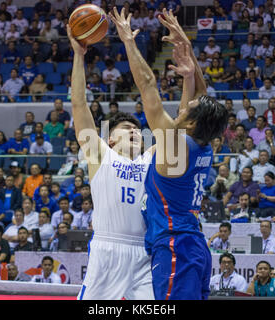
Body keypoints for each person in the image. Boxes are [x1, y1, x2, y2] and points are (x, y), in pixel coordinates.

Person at [110, 8, 230, 300]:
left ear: (190, 122)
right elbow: (201, 98)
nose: (183, 105)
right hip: (194, 244)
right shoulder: (202, 144)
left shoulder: (175, 144)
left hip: (175, 244)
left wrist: (128, 41)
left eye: (187, 109)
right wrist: (188, 55)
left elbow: (148, 86)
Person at [67, 15, 156, 300]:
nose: (135, 133)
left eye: (138, 130)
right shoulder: (101, 155)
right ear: (111, 139)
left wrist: (130, 42)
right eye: (127, 129)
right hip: (107, 249)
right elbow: (79, 104)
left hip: (143, 252)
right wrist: (79, 57)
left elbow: (162, 108)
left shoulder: (150, 159)